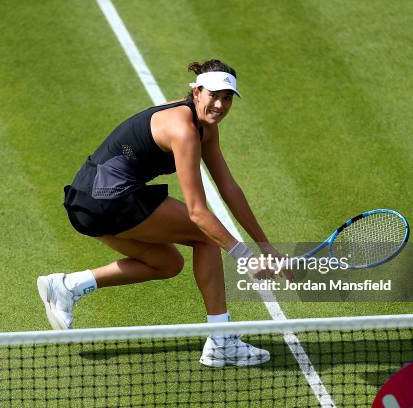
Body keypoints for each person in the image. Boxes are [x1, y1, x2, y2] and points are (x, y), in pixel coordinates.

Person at [37, 59, 281, 367]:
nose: (220, 104)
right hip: (106, 200)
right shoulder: (184, 131)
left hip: (88, 201)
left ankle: (67, 286)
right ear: (196, 92)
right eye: (214, 95)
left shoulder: (204, 127)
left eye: (227, 97)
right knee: (206, 238)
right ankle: (222, 341)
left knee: (166, 263)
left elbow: (228, 187)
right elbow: (197, 212)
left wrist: (265, 245)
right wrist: (245, 256)